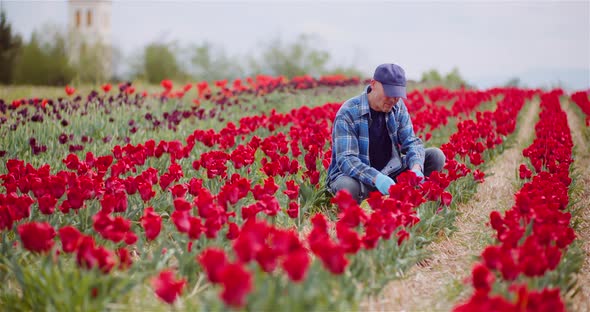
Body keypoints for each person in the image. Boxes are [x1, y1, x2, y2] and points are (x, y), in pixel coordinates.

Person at [326, 63, 446, 203]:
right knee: (347, 188)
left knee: (436, 156)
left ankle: (413, 200)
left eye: (397, 95)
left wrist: (416, 168)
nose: (394, 99)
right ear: (373, 84)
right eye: (390, 93)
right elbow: (346, 159)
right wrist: (377, 178)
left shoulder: (397, 106)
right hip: (359, 177)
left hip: (390, 172)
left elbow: (411, 142)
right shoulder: (348, 112)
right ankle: (359, 210)